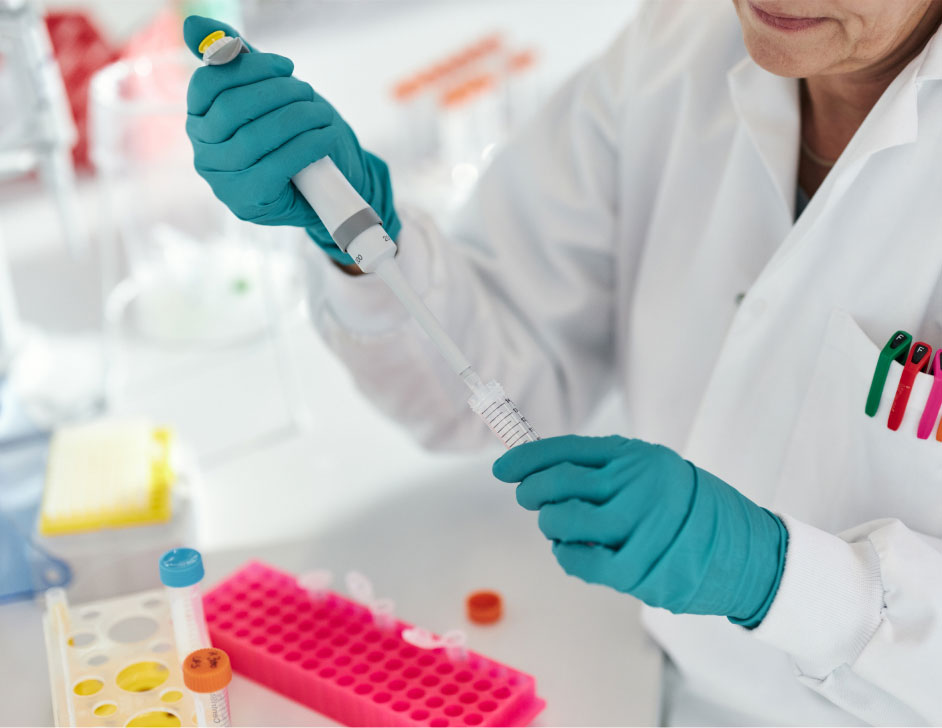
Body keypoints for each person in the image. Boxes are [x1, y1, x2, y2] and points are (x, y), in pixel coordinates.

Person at [182, 1, 942, 723]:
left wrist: (783, 579)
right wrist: (362, 242)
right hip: (636, 673)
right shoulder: (681, 43)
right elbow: (503, 372)